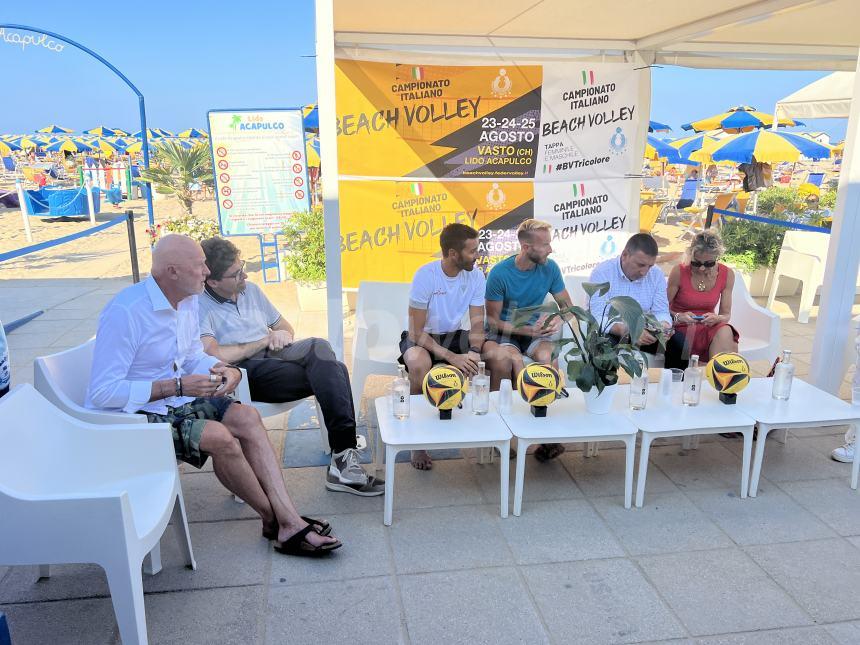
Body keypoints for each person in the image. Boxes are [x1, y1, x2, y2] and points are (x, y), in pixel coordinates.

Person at [86, 235, 341, 557]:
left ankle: (283, 520)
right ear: (172, 271)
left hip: (177, 400)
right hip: (133, 416)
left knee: (247, 416)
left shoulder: (188, 300)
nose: (207, 271)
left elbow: (193, 355)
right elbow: (103, 392)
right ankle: (282, 521)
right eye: (199, 265)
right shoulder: (126, 311)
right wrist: (176, 387)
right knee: (220, 437)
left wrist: (223, 367)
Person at [198, 236, 383, 497]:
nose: (245, 276)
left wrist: (281, 335)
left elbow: (284, 327)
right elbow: (215, 353)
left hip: (276, 354)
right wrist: (263, 340)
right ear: (213, 281)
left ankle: (342, 458)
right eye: (236, 273)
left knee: (319, 346)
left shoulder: (250, 291)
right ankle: (343, 458)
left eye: (243, 267)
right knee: (336, 372)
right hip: (245, 371)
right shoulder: (199, 305)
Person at [399, 223, 486, 470]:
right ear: (452, 254)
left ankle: (487, 434)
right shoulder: (426, 275)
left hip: (455, 335)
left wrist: (473, 352)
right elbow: (416, 331)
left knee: (491, 356)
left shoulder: (476, 276)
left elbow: (478, 323)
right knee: (417, 362)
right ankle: (418, 444)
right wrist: (452, 357)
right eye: (472, 251)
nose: (477, 255)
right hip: (423, 336)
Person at [484, 218, 572, 462]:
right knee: (509, 362)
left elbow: (567, 307)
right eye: (545, 244)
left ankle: (544, 435)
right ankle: (501, 434)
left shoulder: (550, 268)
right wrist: (529, 331)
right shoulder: (500, 273)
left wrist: (559, 320)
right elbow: (492, 322)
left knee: (548, 358)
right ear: (526, 247)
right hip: (505, 334)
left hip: (535, 334)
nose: (550, 249)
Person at [588, 233, 672, 353]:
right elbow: (596, 316)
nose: (644, 272)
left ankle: (676, 372)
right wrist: (628, 330)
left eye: (650, 266)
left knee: (679, 344)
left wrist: (663, 326)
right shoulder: (602, 273)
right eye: (641, 265)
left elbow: (661, 311)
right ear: (624, 255)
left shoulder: (656, 274)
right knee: (604, 347)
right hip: (613, 331)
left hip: (645, 331)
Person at [666, 229, 739, 367]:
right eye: (696, 263)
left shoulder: (727, 274)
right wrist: (678, 316)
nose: (701, 268)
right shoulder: (679, 271)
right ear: (691, 256)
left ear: (717, 257)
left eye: (709, 264)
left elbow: (725, 314)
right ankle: (715, 378)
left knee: (725, 330)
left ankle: (722, 379)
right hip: (681, 324)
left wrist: (717, 318)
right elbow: (661, 307)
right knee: (724, 337)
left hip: (708, 326)